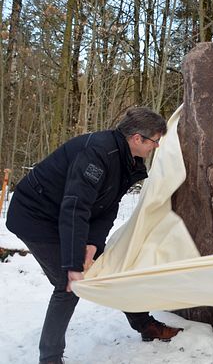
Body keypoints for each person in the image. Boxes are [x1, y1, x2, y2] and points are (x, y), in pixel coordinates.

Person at [6, 107, 182, 364]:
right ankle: (50, 358)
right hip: (35, 217)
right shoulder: (98, 154)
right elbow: (75, 206)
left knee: (112, 266)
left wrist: (93, 244)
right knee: (69, 285)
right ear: (137, 139)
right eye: (154, 141)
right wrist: (73, 262)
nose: (155, 147)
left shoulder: (127, 161)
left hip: (65, 215)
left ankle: (145, 325)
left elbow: (107, 207)